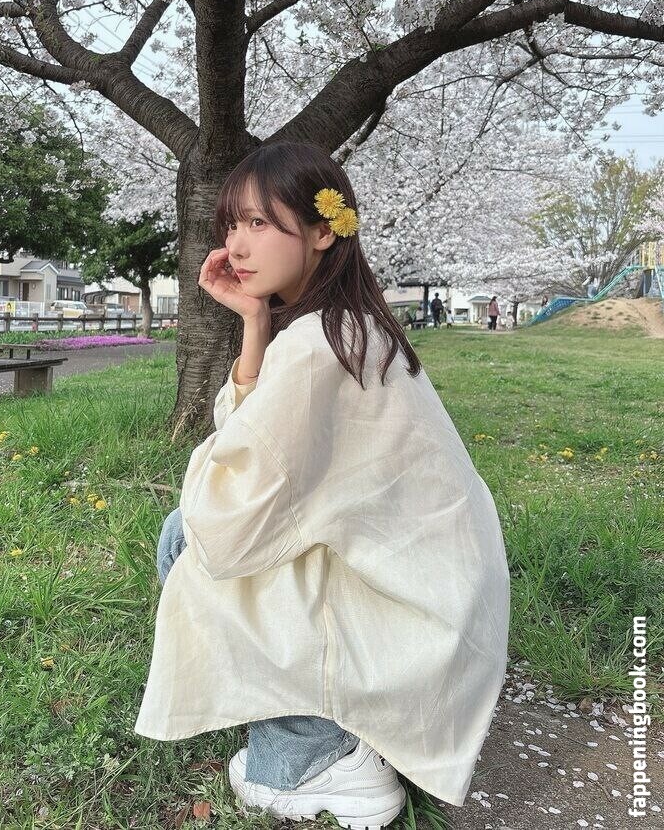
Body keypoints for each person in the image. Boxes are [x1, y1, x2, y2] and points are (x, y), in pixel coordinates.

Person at [134, 141, 511, 827]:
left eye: (258, 222)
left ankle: (319, 754)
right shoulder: (348, 327)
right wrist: (253, 321)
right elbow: (260, 448)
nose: (235, 245)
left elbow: (236, 502)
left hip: (412, 605)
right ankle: (342, 724)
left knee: (189, 542)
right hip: (435, 593)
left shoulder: (317, 345)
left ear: (322, 231)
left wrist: (204, 519)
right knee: (204, 532)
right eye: (231, 224)